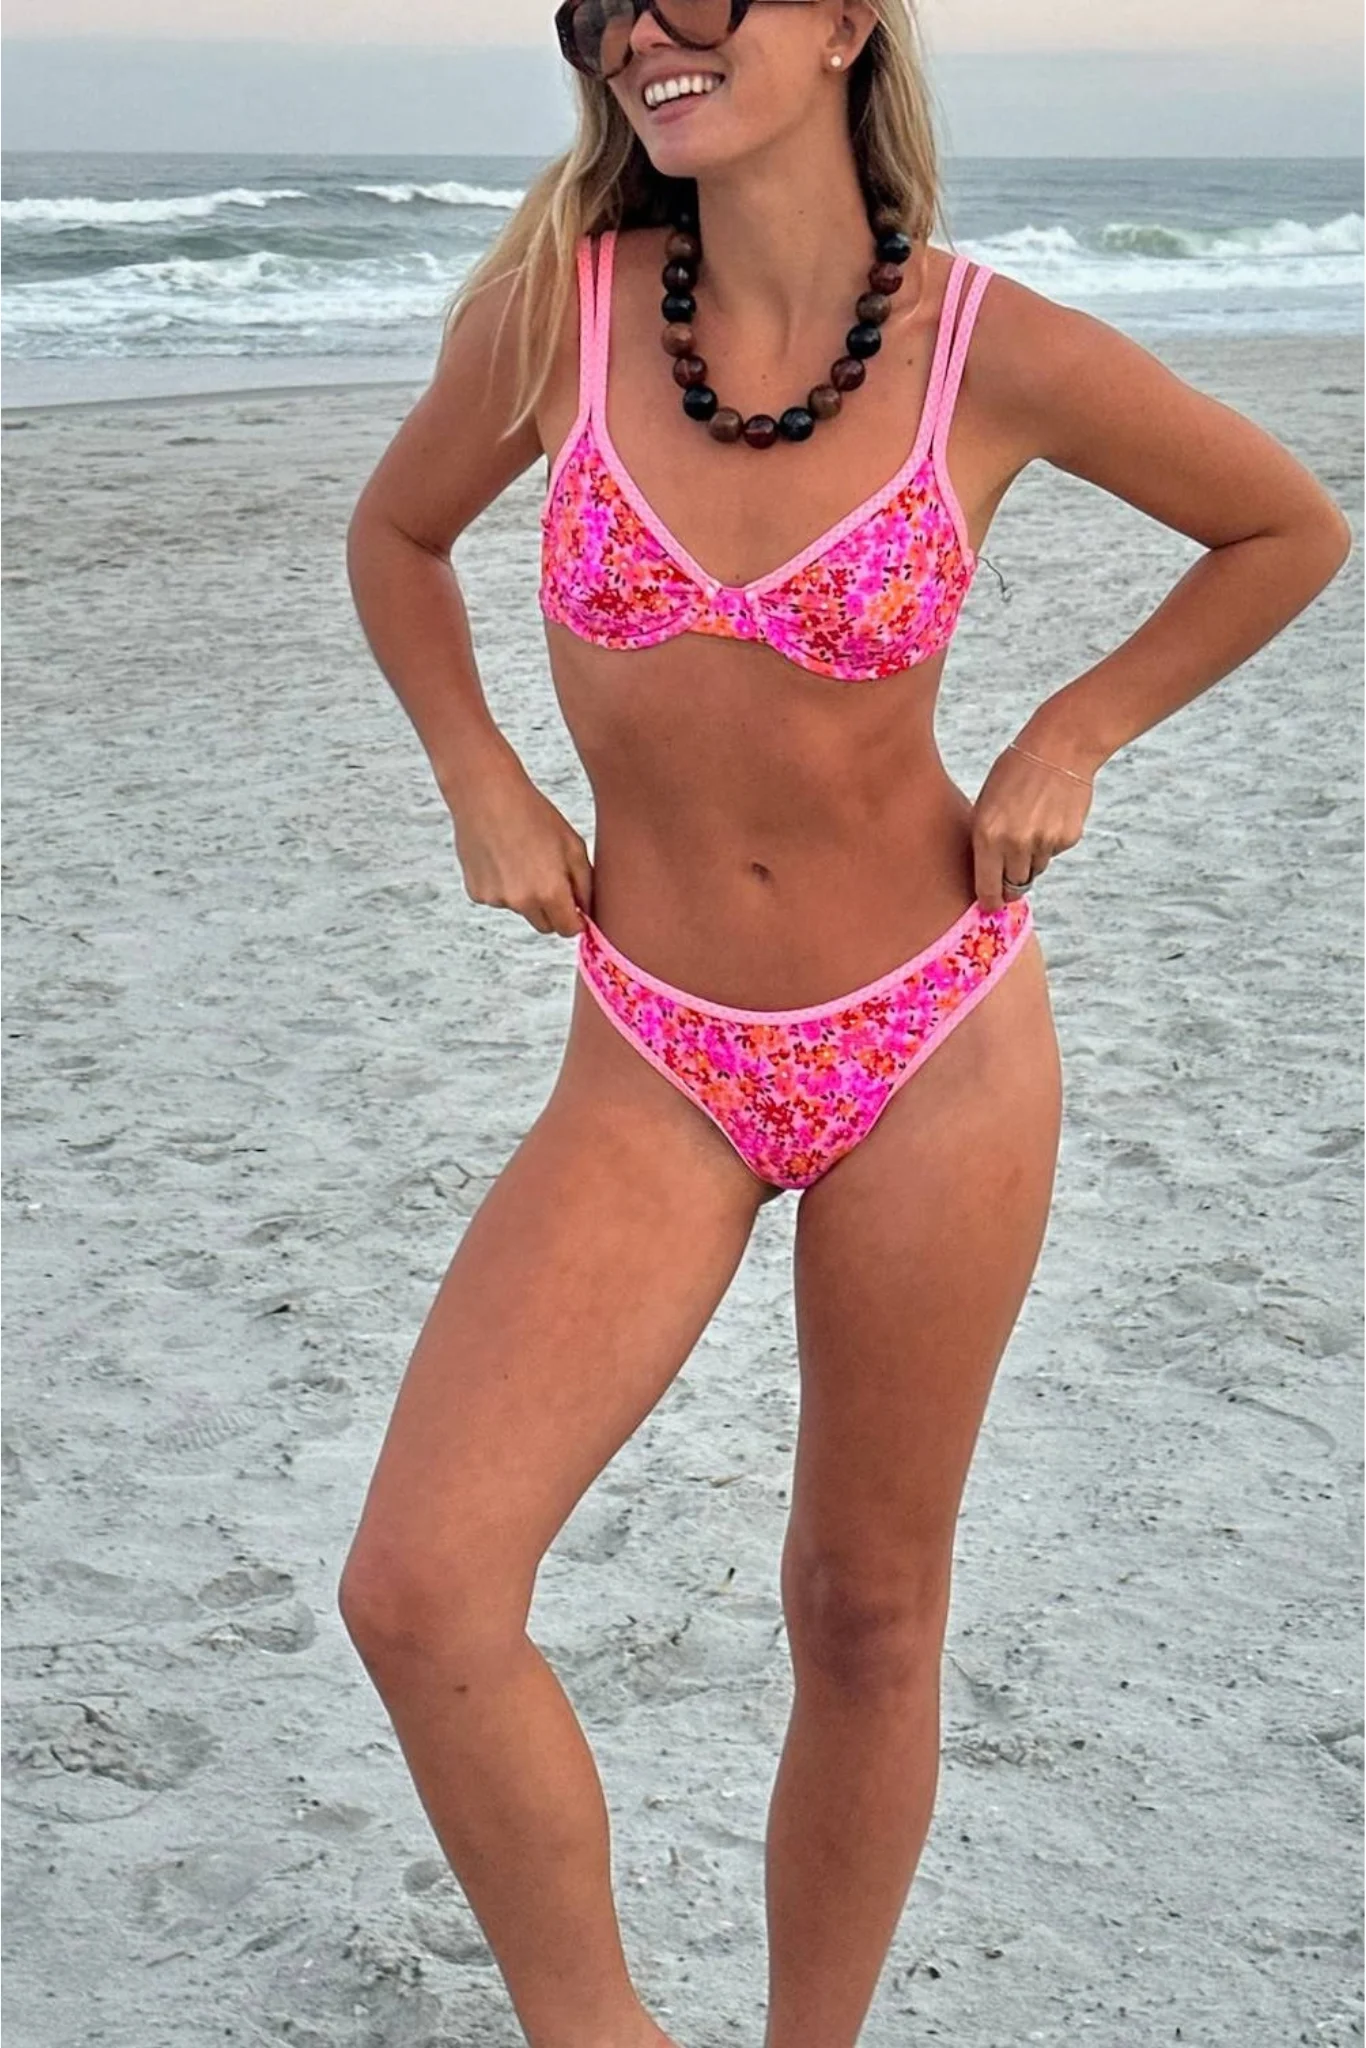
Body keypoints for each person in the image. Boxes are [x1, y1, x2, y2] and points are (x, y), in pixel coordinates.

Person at [338, 4, 1351, 2044]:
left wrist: (1073, 730)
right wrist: (477, 776)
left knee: (864, 1608)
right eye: (601, 6)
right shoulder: (562, 311)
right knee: (421, 1583)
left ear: (837, 23)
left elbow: (1287, 528)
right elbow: (396, 533)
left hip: (930, 1036)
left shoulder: (987, 346)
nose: (642, 31)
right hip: (654, 1048)